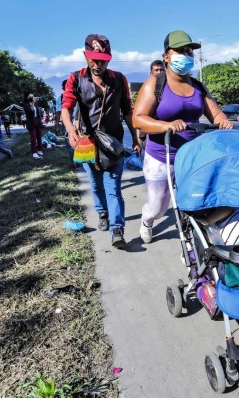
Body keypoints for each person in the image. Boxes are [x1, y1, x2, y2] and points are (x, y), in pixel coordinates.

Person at [132, 30, 233, 244]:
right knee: (159, 207)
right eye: (180, 51)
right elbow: (138, 119)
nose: (186, 55)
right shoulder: (155, 84)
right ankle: (148, 219)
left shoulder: (198, 87)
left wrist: (223, 121)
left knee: (197, 202)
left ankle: (195, 240)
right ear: (166, 56)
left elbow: (214, 113)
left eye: (189, 51)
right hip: (161, 156)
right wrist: (165, 125)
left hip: (192, 158)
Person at [61, 33, 141, 249]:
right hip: (86, 142)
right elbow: (66, 108)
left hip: (113, 144)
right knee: (95, 185)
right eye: (94, 59)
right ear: (86, 56)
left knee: (113, 187)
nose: (98, 64)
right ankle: (102, 213)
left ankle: (117, 230)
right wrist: (70, 129)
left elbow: (127, 111)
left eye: (103, 60)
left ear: (109, 58)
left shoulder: (119, 79)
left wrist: (135, 137)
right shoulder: (75, 78)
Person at [137, 60, 166, 152]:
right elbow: (138, 116)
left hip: (166, 133)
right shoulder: (146, 88)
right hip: (148, 135)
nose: (159, 72)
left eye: (161, 70)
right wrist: (137, 138)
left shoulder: (168, 87)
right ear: (151, 73)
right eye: (156, 70)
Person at [23, 92, 44, 159]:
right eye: (30, 96)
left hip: (37, 120)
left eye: (33, 96)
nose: (32, 97)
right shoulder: (26, 105)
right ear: (27, 98)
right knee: (33, 138)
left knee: (39, 136)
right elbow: (30, 111)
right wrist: (33, 103)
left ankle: (39, 149)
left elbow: (39, 112)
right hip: (31, 122)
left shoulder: (37, 103)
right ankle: (34, 152)